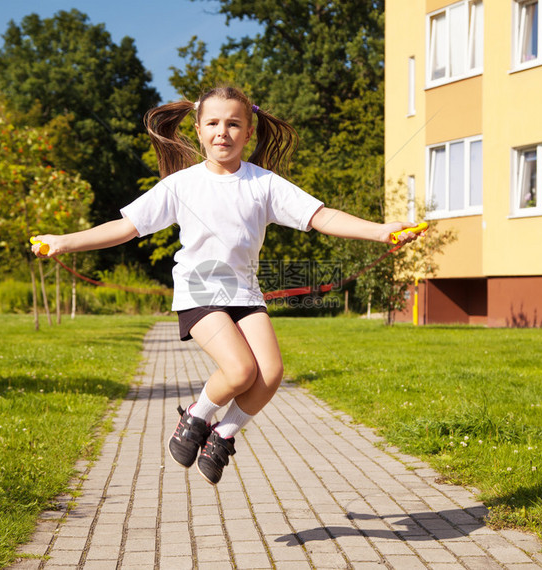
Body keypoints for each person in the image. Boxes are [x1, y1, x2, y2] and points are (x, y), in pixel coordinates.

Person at [31, 86, 419, 485]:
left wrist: (380, 231)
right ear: (198, 130)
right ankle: (195, 419)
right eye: (213, 123)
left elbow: (321, 216)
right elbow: (126, 227)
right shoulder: (181, 185)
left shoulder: (263, 184)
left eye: (233, 124)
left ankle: (222, 434)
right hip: (199, 292)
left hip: (245, 295)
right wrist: (65, 241)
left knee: (269, 373)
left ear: (248, 132)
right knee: (239, 370)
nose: (223, 132)